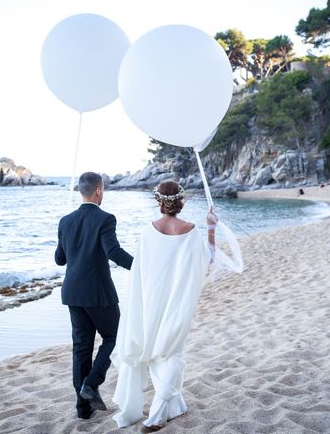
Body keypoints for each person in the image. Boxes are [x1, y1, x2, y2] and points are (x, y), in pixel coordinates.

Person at [111, 180, 217, 431]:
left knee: (159, 350)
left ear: (158, 201)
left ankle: (173, 406)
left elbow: (140, 271)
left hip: (151, 301)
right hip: (178, 301)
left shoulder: (148, 232)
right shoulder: (191, 230)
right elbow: (208, 260)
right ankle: (158, 414)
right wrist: (211, 228)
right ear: (181, 201)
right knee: (171, 351)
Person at [55, 172, 134, 420]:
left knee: (81, 349)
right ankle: (91, 383)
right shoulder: (105, 218)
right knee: (115, 336)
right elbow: (114, 252)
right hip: (98, 294)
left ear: (81, 190)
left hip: (73, 293)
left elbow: (60, 259)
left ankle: (82, 408)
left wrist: (75, 242)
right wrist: (142, 266)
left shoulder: (65, 221)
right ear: (98, 190)